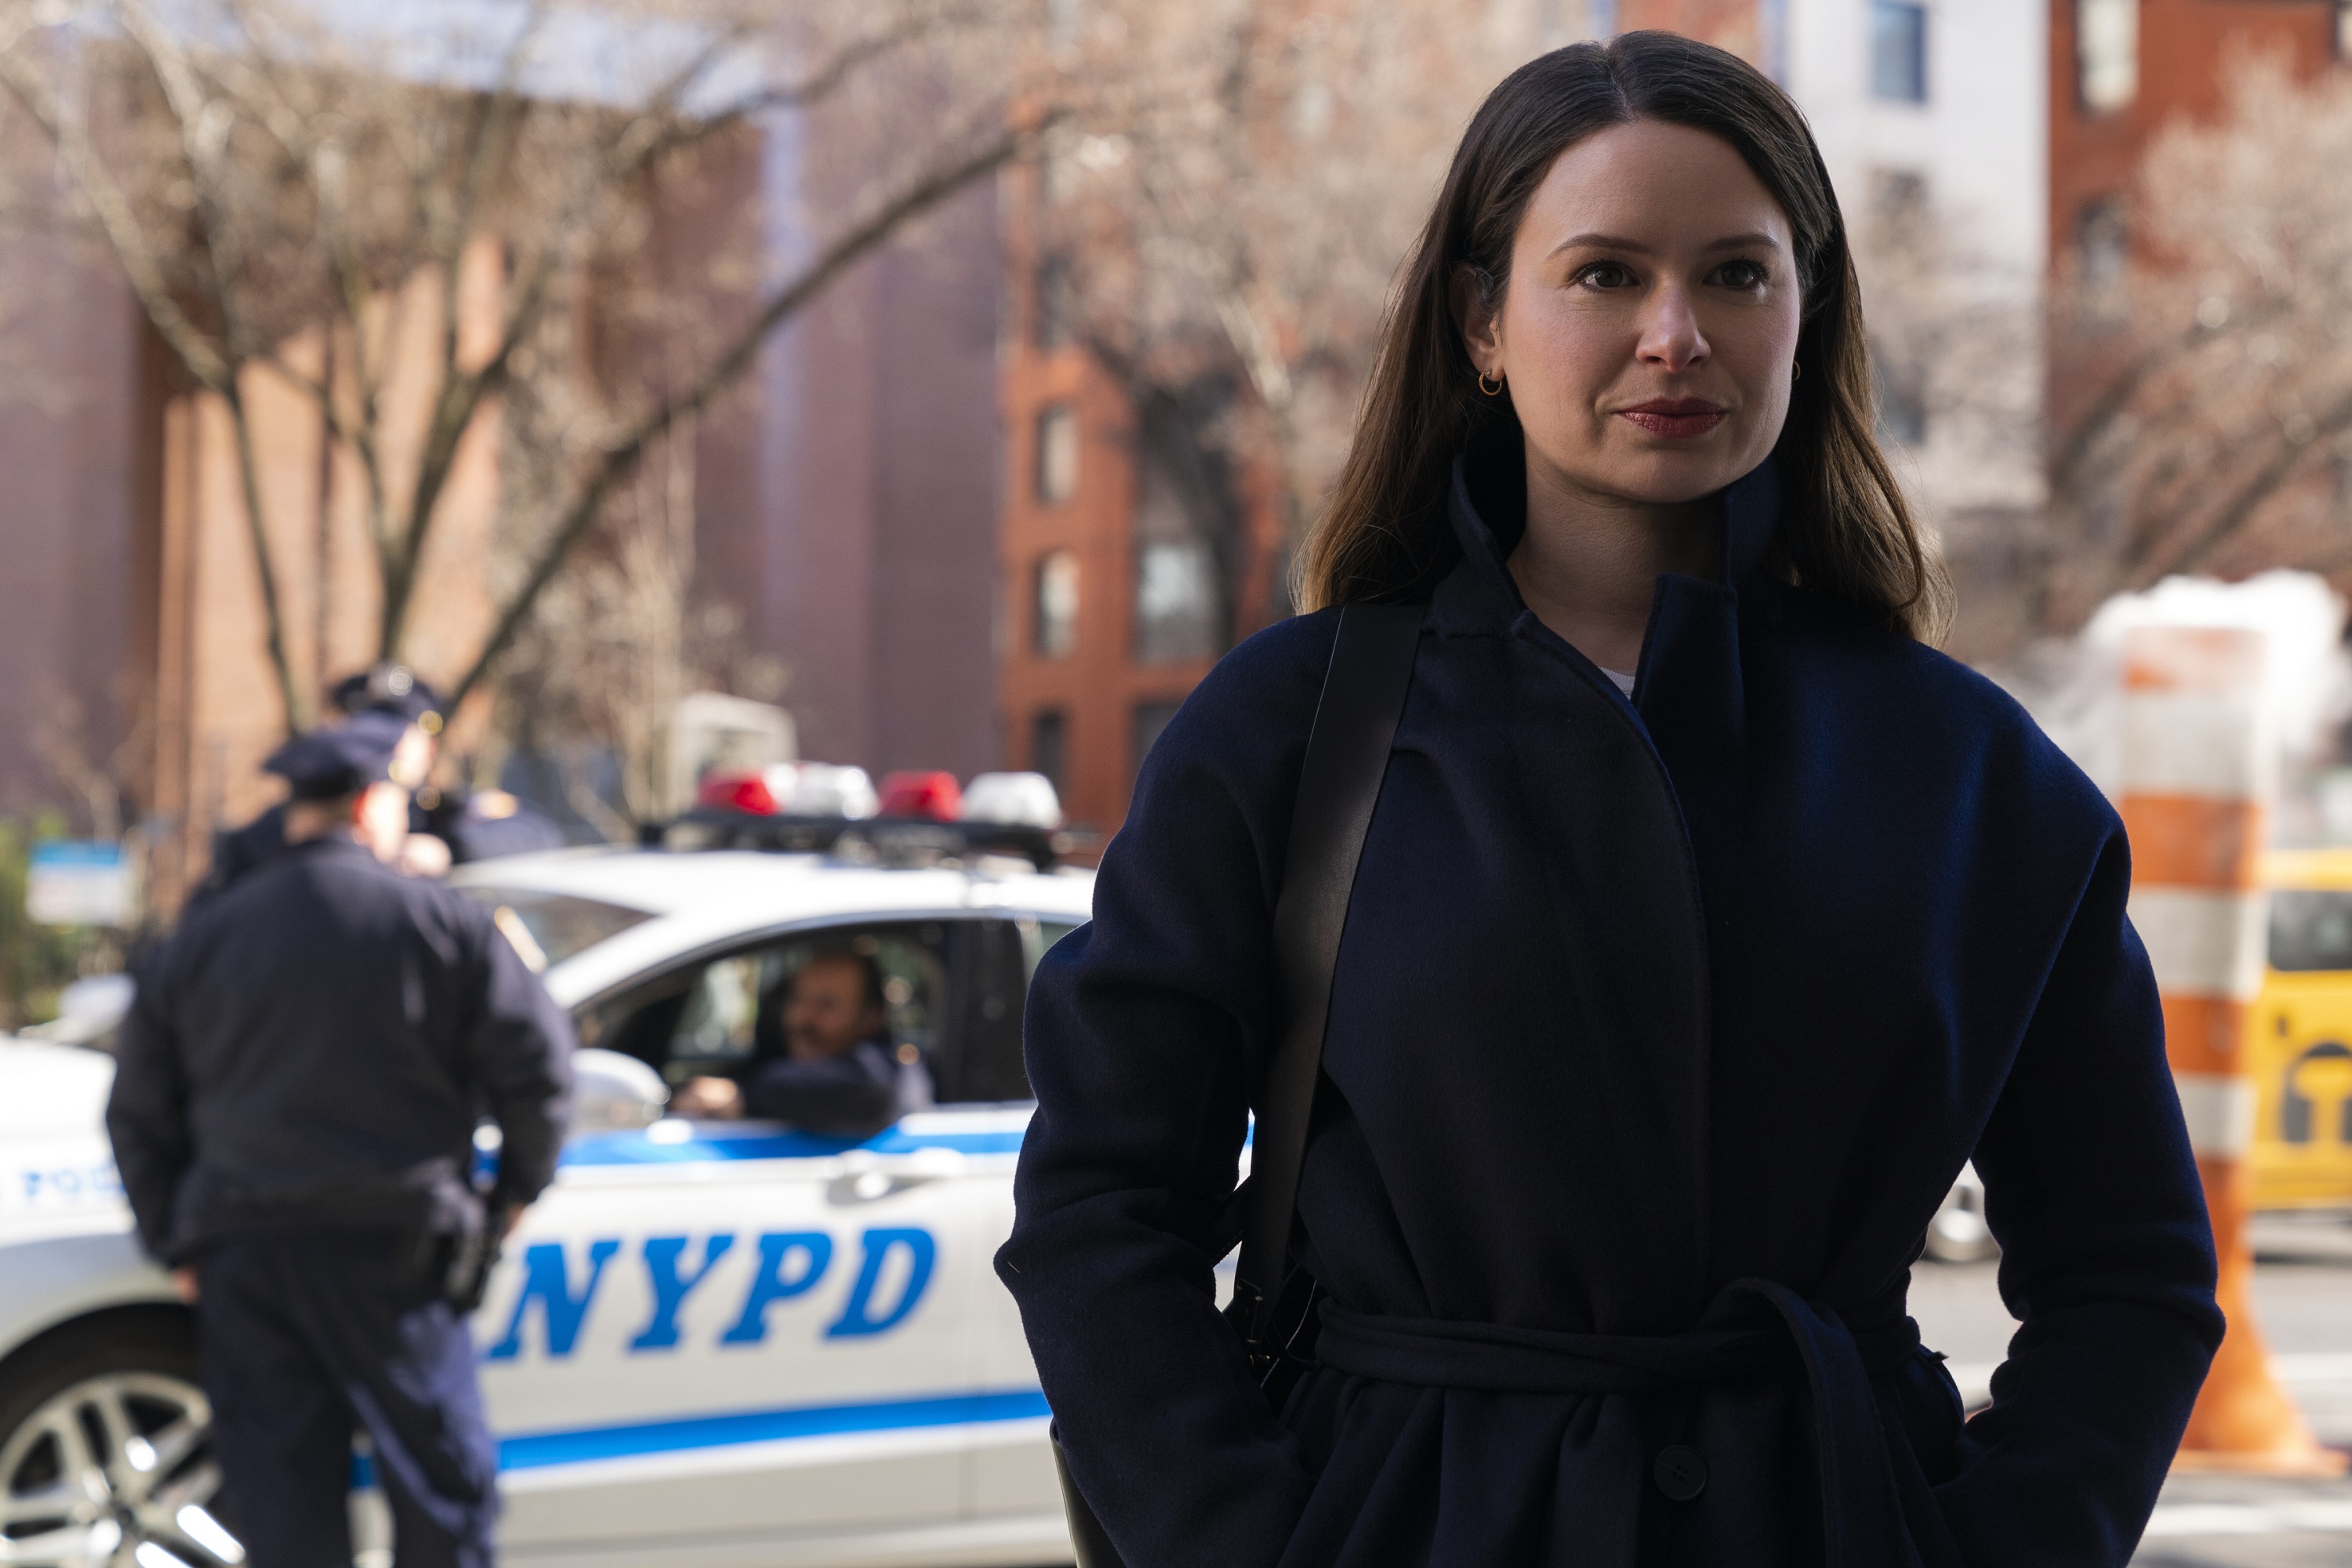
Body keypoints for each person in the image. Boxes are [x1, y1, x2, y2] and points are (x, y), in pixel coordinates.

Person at [998, 34, 2223, 1568]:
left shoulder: (1974, 773)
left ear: (1808, 313)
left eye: (1734, 274)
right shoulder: (1287, 730)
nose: (1674, 335)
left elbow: (2131, 1270)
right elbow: (1104, 1207)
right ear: (1483, 321)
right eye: (1601, 275)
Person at [107, 713, 574, 1567]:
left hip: (248, 1251)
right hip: (396, 1250)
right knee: (440, 1494)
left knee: (282, 1508)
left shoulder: (205, 937)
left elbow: (137, 1107)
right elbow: (541, 1071)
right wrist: (511, 1195)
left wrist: (174, 1235)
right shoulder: (443, 923)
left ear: (298, 813)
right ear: (372, 805)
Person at [669, 947, 932, 1134]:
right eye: (797, 999)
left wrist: (741, 1096)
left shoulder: (882, 1072)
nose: (803, 1018)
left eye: (826, 1005)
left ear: (870, 1018)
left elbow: (869, 1086)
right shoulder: (781, 1059)